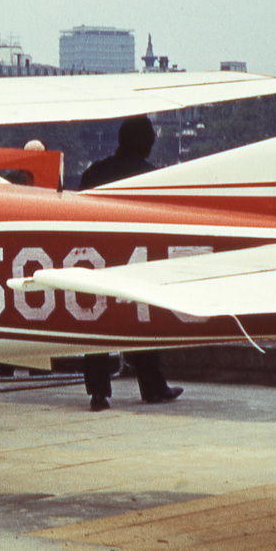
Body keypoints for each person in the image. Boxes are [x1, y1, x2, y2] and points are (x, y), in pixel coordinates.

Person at [77, 116, 183, 408]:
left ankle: (98, 393)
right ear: (144, 142)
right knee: (140, 322)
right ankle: (152, 387)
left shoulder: (93, 172)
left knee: (96, 325)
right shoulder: (152, 177)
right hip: (134, 260)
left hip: (96, 259)